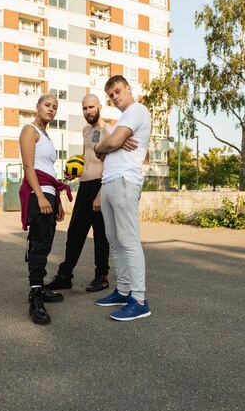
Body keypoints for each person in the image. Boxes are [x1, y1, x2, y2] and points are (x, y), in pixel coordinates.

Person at [92, 75, 152, 321]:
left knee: (129, 240)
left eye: (117, 91)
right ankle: (124, 289)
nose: (114, 97)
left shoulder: (137, 110)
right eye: (111, 95)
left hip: (125, 181)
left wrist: (105, 144)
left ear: (129, 89)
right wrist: (109, 145)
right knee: (114, 240)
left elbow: (108, 145)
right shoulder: (121, 121)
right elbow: (106, 153)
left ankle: (139, 299)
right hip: (109, 182)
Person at [45, 94, 111, 293]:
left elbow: (110, 164)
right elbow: (86, 156)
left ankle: (102, 276)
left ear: (99, 107)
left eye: (91, 107)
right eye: (84, 108)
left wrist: (101, 194)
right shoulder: (85, 130)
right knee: (74, 233)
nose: (87, 112)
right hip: (84, 186)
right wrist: (75, 171)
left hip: (100, 185)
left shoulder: (109, 130)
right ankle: (65, 276)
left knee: (100, 235)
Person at [19, 94, 72, 325]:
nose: (51, 109)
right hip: (38, 194)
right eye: (47, 105)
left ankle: (40, 288)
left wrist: (57, 201)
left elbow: (48, 170)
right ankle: (35, 296)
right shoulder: (29, 130)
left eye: (55, 107)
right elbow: (29, 167)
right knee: (39, 245)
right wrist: (40, 196)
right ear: (37, 106)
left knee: (47, 244)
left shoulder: (47, 135)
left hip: (50, 194)